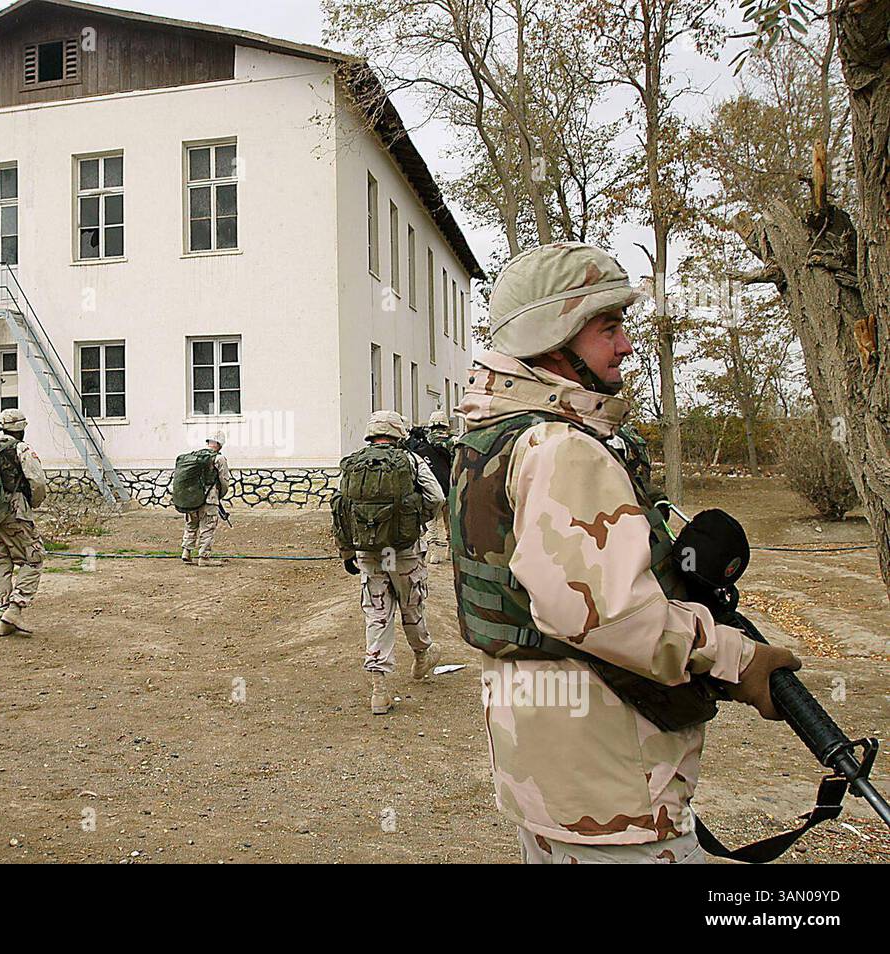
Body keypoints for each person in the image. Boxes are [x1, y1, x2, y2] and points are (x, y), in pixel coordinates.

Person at [451, 242, 801, 864]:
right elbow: (610, 616)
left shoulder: (491, 438)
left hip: (546, 771)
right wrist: (736, 657)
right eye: (608, 328)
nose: (626, 346)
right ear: (552, 340)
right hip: (608, 786)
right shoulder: (562, 448)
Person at [338, 410, 446, 715]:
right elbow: (437, 498)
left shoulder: (353, 464)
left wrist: (347, 552)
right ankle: (422, 655)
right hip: (405, 551)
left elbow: (341, 509)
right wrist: (416, 521)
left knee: (377, 614)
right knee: (412, 606)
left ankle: (379, 690)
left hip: (369, 553)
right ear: (398, 434)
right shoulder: (410, 461)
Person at [0, 409, 48, 637]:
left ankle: (3, 616)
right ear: (21, 429)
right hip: (15, 511)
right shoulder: (21, 449)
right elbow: (37, 482)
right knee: (34, 558)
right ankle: (15, 608)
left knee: (0, 560)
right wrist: (34, 503)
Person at [179, 432, 230, 568]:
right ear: (219, 445)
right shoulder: (219, 459)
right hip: (209, 499)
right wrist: (219, 496)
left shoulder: (194, 456)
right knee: (207, 527)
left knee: (191, 525)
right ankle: (204, 557)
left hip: (191, 498)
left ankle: (186, 552)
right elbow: (224, 481)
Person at [424, 410, 456, 558]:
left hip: (431, 486)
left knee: (432, 520)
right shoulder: (453, 441)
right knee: (449, 520)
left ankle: (434, 551)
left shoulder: (425, 441)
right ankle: (449, 548)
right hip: (449, 486)